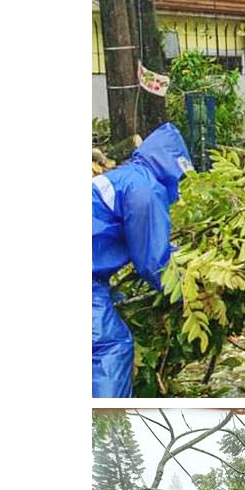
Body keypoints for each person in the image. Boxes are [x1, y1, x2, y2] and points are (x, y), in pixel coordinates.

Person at [93, 122, 194, 397]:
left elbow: (147, 243)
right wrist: (190, 290)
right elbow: (153, 262)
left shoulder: (128, 177)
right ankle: (104, 423)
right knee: (110, 346)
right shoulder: (146, 190)